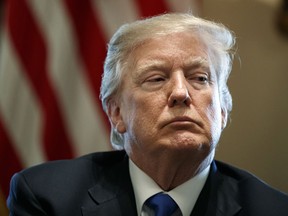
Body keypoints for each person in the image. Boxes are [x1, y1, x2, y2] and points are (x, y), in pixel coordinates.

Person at [7, 13, 288, 216]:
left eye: (200, 78)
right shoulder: (47, 198)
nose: (181, 92)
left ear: (223, 111)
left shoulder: (272, 209)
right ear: (116, 112)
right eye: (156, 79)